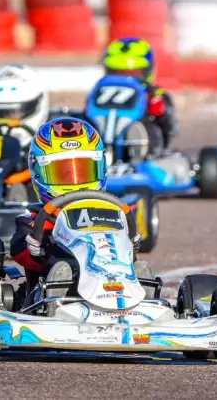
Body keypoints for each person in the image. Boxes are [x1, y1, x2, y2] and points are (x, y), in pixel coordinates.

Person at [10, 117, 154, 305]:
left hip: (113, 282)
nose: (75, 183)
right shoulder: (35, 219)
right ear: (39, 172)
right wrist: (36, 248)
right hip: (51, 293)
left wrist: (131, 242)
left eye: (84, 171)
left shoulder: (112, 212)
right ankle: (56, 297)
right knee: (61, 271)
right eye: (62, 174)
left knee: (139, 267)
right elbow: (17, 248)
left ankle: (143, 293)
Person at [101, 37, 178, 151]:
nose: (124, 80)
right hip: (101, 136)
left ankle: (139, 150)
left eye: (133, 73)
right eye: (117, 73)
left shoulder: (154, 94)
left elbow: (170, 127)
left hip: (142, 149)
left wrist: (158, 107)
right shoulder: (100, 91)